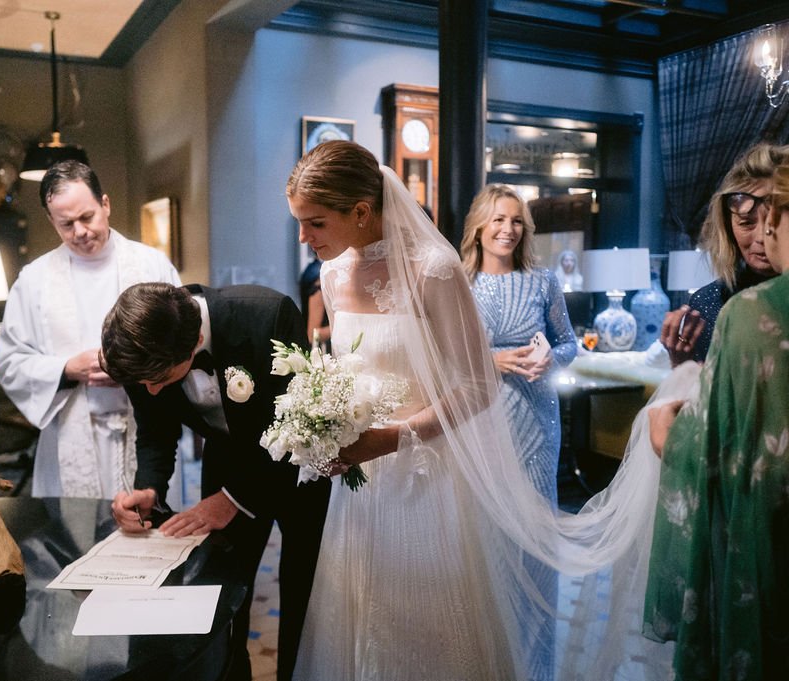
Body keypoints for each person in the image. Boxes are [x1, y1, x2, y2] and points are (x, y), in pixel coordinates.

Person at [286, 140, 674, 680]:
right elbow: (349, 372)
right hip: (361, 478)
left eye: (316, 224)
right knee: (361, 613)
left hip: (426, 475)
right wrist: (324, 428)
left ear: (360, 210)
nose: (305, 239)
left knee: (429, 626)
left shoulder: (435, 269)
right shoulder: (332, 276)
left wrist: (390, 437)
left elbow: (475, 387)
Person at [100, 282, 330, 681]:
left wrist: (233, 499)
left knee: (302, 592)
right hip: (226, 463)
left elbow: (302, 427)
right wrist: (150, 488)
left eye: (159, 378)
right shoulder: (141, 350)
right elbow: (155, 429)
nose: (151, 390)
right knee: (223, 598)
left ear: (196, 342)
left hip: (300, 473)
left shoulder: (267, 315)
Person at [643, 162, 789, 681]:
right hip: (721, 499)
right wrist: (680, 368)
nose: (758, 233)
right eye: (742, 220)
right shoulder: (709, 301)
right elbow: (709, 399)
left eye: (769, 216)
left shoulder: (756, 309)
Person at [0, 161, 180, 499]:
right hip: (70, 436)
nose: (79, 231)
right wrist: (66, 369)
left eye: (87, 217)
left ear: (105, 205)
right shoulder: (34, 281)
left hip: (144, 431)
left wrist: (133, 371)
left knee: (146, 535)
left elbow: (181, 345)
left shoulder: (152, 266)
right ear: (51, 221)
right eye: (66, 224)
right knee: (75, 544)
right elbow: (9, 361)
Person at [461, 184, 578, 681]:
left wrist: (553, 356)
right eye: (498, 220)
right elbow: (442, 358)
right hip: (482, 419)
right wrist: (492, 359)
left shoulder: (542, 281)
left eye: (515, 221)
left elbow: (570, 343)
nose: (507, 229)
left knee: (534, 544)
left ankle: (534, 668)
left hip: (537, 419)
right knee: (486, 539)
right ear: (479, 228)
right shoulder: (458, 284)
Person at [660, 143, 788, 366]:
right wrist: (682, 363)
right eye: (746, 223)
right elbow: (705, 397)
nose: (761, 237)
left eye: (772, 222)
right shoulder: (710, 303)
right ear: (728, 227)